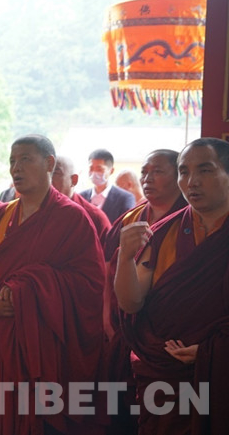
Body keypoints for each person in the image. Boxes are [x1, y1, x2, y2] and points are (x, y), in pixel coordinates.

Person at [0, 135, 105, 434]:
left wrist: (28, 289)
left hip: (44, 344)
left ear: (49, 163)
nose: (16, 167)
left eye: (25, 159)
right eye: (12, 161)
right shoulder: (0, 215)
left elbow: (91, 286)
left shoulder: (72, 218)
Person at [114, 138, 229, 434]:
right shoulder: (165, 231)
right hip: (163, 370)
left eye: (205, 170)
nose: (192, 182)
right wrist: (125, 259)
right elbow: (131, 303)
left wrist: (212, 352)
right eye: (184, 172)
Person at [100, 149, 186, 434]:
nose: (147, 179)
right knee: (124, 412)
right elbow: (106, 271)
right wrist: (107, 319)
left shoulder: (192, 219)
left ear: (180, 176)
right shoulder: (130, 218)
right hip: (123, 330)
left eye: (157, 171)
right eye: (144, 172)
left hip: (168, 338)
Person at [52, 155, 112, 240]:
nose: (47, 180)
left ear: (74, 180)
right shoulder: (36, 212)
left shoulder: (94, 218)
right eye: (44, 174)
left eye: (54, 173)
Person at [79, 148, 135, 222]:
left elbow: (126, 225)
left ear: (111, 171)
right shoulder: (81, 197)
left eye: (99, 169)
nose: (94, 172)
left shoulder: (125, 198)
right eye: (91, 168)